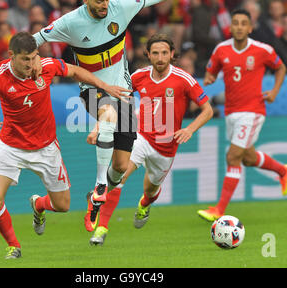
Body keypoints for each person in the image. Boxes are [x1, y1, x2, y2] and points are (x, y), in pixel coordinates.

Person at [32, 0, 227, 237]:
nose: (104, 5)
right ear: (85, 0)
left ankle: (81, 197)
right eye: (98, 1)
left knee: (121, 167)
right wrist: (26, 63)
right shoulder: (70, 22)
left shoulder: (121, 7)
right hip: (93, 90)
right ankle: (100, 186)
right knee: (108, 114)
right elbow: (32, 40)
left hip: (123, 94)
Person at [0, 32, 130, 259]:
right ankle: (13, 246)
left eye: (34, 57)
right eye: (25, 59)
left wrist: (105, 86)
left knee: (63, 206)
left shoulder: (46, 66)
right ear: (12, 56)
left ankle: (39, 205)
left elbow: (74, 70)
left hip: (46, 147)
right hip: (10, 147)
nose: (31, 64)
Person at [88, 33, 214, 245]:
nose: (160, 57)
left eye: (165, 53)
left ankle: (144, 205)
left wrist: (189, 129)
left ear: (172, 54)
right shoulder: (139, 76)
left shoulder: (183, 79)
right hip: (140, 136)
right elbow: (114, 99)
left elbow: (208, 110)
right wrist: (99, 125)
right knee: (119, 175)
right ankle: (101, 228)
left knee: (150, 190)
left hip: (166, 147)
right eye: (155, 53)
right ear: (148, 55)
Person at [197, 9, 287, 222]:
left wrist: (275, 91)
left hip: (252, 111)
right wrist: (210, 77)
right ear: (230, 27)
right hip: (231, 112)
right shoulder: (221, 49)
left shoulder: (262, 50)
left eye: (243, 23)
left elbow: (281, 68)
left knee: (232, 157)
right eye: (236, 23)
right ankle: (282, 170)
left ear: (250, 28)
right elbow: (211, 69)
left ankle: (219, 209)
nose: (239, 27)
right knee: (248, 158)